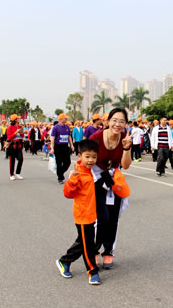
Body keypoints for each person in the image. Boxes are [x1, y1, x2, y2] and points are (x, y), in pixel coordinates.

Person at [89, 108, 132, 270]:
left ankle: (108, 251)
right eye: (114, 120)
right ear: (107, 121)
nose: (117, 124)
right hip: (96, 178)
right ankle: (94, 250)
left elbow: (125, 165)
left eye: (121, 121)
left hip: (114, 179)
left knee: (113, 218)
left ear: (125, 124)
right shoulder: (96, 137)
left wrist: (126, 148)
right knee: (101, 218)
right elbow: (86, 159)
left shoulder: (125, 139)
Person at [56, 139, 102, 285]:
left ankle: (64, 261)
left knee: (83, 242)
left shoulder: (89, 171)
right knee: (88, 246)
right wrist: (74, 178)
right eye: (87, 156)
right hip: (82, 215)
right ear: (79, 156)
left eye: (94, 157)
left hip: (91, 214)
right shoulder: (78, 173)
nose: (91, 160)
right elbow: (67, 193)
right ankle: (92, 271)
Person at [51, 113, 74, 184]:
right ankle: (60, 177)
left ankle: (60, 173)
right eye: (65, 118)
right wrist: (52, 148)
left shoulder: (67, 127)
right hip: (58, 146)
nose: (66, 119)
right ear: (61, 119)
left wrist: (71, 145)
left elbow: (69, 137)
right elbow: (53, 138)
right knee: (59, 162)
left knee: (68, 162)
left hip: (65, 146)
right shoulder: (55, 127)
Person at [6, 114, 25, 180]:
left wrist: (21, 131)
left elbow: (22, 136)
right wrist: (15, 133)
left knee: (21, 159)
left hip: (19, 145)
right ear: (15, 120)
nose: (19, 119)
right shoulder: (10, 128)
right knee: (12, 160)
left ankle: (18, 173)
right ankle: (11, 174)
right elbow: (9, 137)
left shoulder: (19, 126)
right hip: (12, 145)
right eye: (17, 118)